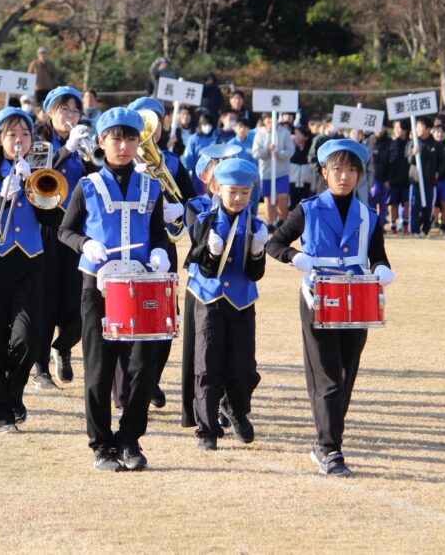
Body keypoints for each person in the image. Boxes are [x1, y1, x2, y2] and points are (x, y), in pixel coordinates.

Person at [266, 139, 394, 477]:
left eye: (352, 170)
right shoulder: (307, 210)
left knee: (346, 376)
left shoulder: (369, 216)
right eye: (337, 169)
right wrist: (295, 256)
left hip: (358, 299)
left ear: (359, 175)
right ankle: (330, 448)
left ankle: (326, 441)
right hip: (319, 297)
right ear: (324, 173)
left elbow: (377, 255)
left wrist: (382, 268)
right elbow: (274, 243)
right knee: (328, 377)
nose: (345, 176)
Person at [58, 107, 171, 471]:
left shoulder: (152, 186)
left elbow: (158, 233)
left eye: (130, 139)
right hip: (99, 286)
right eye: (116, 139)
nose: (123, 146)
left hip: (141, 286)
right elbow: (65, 230)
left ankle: (130, 439)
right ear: (102, 141)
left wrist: (160, 251)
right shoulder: (87, 185)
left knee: (143, 368)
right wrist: (85, 244)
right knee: (99, 368)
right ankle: (102, 445)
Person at [0, 107, 62, 432]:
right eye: (12, 134)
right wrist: (2, 195)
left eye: (25, 133)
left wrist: (33, 185)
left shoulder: (37, 172)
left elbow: (51, 218)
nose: (19, 140)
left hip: (30, 259)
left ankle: (10, 393)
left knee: (29, 336)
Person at [185, 157, 268, 450]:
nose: (238, 198)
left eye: (245, 192)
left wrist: (258, 252)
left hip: (243, 302)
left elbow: (255, 274)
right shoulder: (205, 219)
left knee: (244, 368)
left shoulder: (256, 223)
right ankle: (207, 431)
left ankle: (235, 409)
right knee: (207, 366)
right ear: (218, 189)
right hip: (209, 299)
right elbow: (204, 268)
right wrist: (212, 253)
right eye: (232, 191)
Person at [121, 96, 193, 410]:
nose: (151, 129)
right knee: (126, 317)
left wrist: (181, 210)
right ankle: (125, 387)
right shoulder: (118, 161)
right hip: (126, 247)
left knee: (164, 317)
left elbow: (194, 202)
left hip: (163, 247)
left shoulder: (173, 162)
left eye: (155, 122)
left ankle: (151, 380)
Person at [31, 86, 90, 388]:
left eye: (75, 110)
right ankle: (40, 367)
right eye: (64, 109)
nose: (70, 115)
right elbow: (36, 176)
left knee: (79, 299)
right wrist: (67, 148)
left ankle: (63, 347)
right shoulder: (39, 142)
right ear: (50, 111)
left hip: (78, 228)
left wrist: (93, 156)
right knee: (45, 298)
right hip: (47, 226)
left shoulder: (85, 143)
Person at [252, 112, 295, 227]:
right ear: (264, 120)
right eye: (268, 119)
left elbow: (291, 150)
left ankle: (282, 221)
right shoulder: (260, 133)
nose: (270, 121)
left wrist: (279, 154)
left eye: (272, 118)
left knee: (283, 196)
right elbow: (255, 152)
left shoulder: (284, 132)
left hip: (282, 171)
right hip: (266, 172)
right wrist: (266, 150)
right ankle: (270, 223)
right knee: (268, 197)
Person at [406, 116, 441, 238]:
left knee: (428, 208)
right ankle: (414, 230)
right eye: (417, 126)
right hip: (415, 180)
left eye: (420, 126)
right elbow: (408, 159)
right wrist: (413, 153)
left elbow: (441, 161)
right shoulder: (414, 142)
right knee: (414, 206)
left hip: (430, 182)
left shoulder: (435, 144)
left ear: (428, 129)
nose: (418, 129)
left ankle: (425, 230)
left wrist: (438, 172)